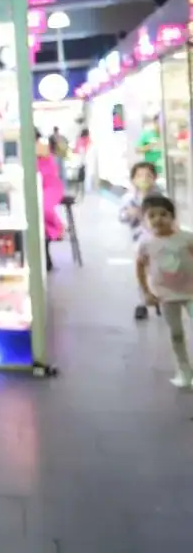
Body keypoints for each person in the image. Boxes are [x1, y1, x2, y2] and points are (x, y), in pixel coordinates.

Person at [135, 194, 193, 388]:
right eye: (152, 215)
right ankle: (184, 372)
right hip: (166, 296)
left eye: (163, 214)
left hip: (191, 292)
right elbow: (140, 268)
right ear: (145, 220)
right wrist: (147, 292)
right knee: (176, 334)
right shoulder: (146, 244)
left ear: (172, 217)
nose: (158, 219)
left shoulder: (186, 238)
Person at [121, 161, 164, 321]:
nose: (144, 179)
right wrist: (130, 214)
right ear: (133, 179)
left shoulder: (159, 197)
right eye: (139, 175)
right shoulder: (128, 198)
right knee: (142, 271)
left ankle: (160, 299)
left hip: (159, 239)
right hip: (139, 241)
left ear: (155, 178)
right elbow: (122, 217)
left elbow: (167, 216)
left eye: (148, 175)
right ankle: (144, 302)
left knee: (158, 271)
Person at [37, 132, 65, 272]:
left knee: (43, 207)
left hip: (51, 186)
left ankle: (58, 227)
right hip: (38, 187)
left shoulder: (42, 147)